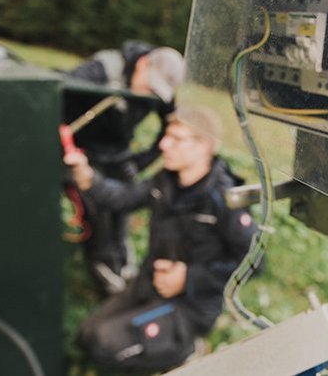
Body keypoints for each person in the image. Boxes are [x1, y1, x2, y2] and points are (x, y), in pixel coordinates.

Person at [64, 105, 257, 371]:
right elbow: (123, 198)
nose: (164, 144)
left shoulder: (224, 199)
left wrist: (188, 278)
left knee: (105, 347)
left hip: (189, 306)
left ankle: (188, 351)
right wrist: (88, 178)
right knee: (87, 335)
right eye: (166, 136)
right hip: (148, 286)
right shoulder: (165, 180)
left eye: (175, 139)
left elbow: (254, 261)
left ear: (204, 146)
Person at [64, 40, 186, 294]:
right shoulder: (101, 71)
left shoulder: (158, 88)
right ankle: (102, 264)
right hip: (85, 151)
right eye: (150, 86)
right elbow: (58, 103)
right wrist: (69, 153)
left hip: (120, 152)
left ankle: (122, 258)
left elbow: (170, 122)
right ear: (142, 64)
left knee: (123, 203)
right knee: (96, 208)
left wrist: (145, 158)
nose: (150, 94)